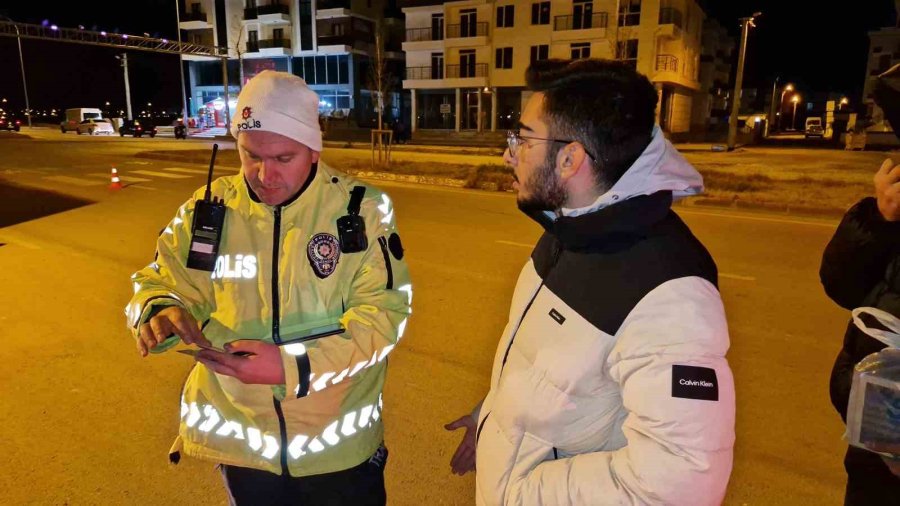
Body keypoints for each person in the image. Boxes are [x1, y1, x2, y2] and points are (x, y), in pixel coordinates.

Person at [444, 59, 735, 505]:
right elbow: (550, 376)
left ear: (569, 158)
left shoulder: (669, 290)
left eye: (522, 138)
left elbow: (683, 482)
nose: (508, 153)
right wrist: (493, 422)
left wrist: (520, 488)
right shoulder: (567, 232)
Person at [125, 70, 412, 505]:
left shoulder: (362, 211)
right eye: (250, 155)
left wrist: (289, 367)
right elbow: (161, 279)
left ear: (313, 150)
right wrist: (159, 308)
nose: (265, 175)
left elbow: (384, 317)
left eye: (283, 158)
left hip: (339, 454)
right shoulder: (209, 210)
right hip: (247, 455)